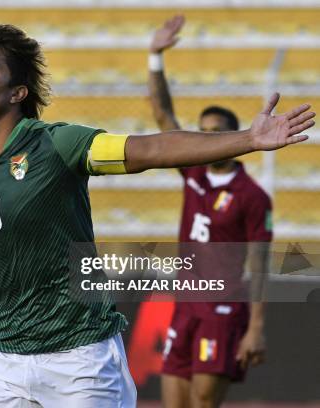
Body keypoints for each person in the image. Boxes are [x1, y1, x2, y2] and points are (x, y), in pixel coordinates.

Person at [0, 25, 314, 407]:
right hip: (6, 361)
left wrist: (249, 139)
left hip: (82, 361)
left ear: (17, 93)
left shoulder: (56, 144)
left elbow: (152, 146)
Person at [149, 15, 274, 407]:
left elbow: (260, 263)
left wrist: (256, 327)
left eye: (214, 133)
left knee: (204, 402)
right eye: (201, 133)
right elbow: (163, 118)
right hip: (186, 303)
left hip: (222, 309)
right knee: (173, 400)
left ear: (232, 138)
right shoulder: (194, 173)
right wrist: (155, 57)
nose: (205, 140)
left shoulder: (252, 195)